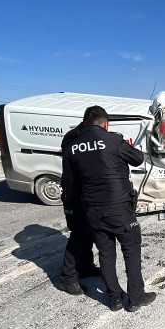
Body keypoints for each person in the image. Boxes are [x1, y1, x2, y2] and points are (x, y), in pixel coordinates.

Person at [62, 105, 156, 312]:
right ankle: (136, 299)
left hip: (93, 210)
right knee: (131, 251)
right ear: (105, 123)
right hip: (120, 208)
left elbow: (69, 182)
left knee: (106, 254)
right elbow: (138, 159)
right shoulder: (113, 139)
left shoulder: (72, 147)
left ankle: (114, 298)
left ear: (85, 123)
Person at [59, 109, 101, 296]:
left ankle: (86, 267)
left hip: (87, 194)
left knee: (88, 233)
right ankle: (68, 279)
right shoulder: (74, 138)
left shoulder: (82, 135)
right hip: (74, 195)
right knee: (78, 236)